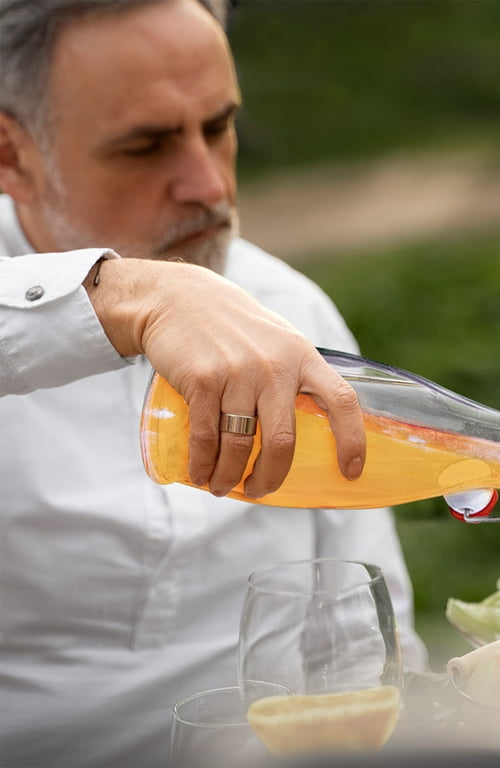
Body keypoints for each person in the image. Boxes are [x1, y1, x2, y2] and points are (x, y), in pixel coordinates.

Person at [0, 1, 427, 765]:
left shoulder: (292, 311)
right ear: (11, 157)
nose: (205, 184)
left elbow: (369, 645)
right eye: (145, 146)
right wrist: (131, 296)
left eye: (219, 127)